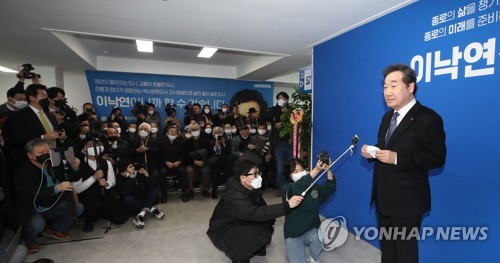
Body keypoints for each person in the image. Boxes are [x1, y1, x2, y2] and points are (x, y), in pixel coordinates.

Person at [361, 64, 446, 263]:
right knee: (388, 251)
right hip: (383, 198)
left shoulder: (428, 118)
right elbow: (387, 146)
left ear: (410, 87)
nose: (387, 92)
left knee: (405, 255)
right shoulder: (387, 117)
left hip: (407, 203)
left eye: (394, 85)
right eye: (384, 87)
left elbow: (436, 157)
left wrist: (397, 158)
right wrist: (373, 152)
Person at [207, 160, 304, 263]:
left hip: (240, 218)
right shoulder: (235, 196)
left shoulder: (249, 186)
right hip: (224, 228)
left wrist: (271, 221)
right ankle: (240, 257)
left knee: (266, 227)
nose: (258, 177)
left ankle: (254, 249)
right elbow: (254, 213)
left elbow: (261, 205)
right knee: (248, 233)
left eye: (258, 172)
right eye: (254, 174)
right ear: (243, 178)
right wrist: (286, 206)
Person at [13, 138, 84, 254]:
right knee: (37, 224)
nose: (45, 155)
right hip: (33, 209)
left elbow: (71, 178)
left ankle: (53, 230)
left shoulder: (54, 164)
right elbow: (30, 195)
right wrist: (57, 188)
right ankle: (30, 241)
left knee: (78, 208)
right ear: (30, 155)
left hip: (52, 203)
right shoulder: (22, 172)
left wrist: (74, 166)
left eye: (47, 152)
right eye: (40, 153)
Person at [282, 158, 336, 263]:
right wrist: (316, 169)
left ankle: (313, 257)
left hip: (311, 229)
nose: (299, 173)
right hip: (293, 234)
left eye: (301, 170)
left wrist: (328, 170)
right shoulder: (287, 188)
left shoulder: (313, 188)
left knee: (319, 236)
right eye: (295, 172)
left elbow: (329, 188)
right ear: (289, 175)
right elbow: (299, 187)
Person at [115, 160, 164, 229]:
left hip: (142, 198)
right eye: (130, 166)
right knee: (127, 199)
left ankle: (141, 214)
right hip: (133, 204)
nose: (133, 168)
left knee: (155, 190)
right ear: (125, 168)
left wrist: (146, 175)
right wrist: (130, 177)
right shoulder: (119, 177)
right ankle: (151, 208)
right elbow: (124, 192)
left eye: (132, 166)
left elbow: (151, 186)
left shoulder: (138, 174)